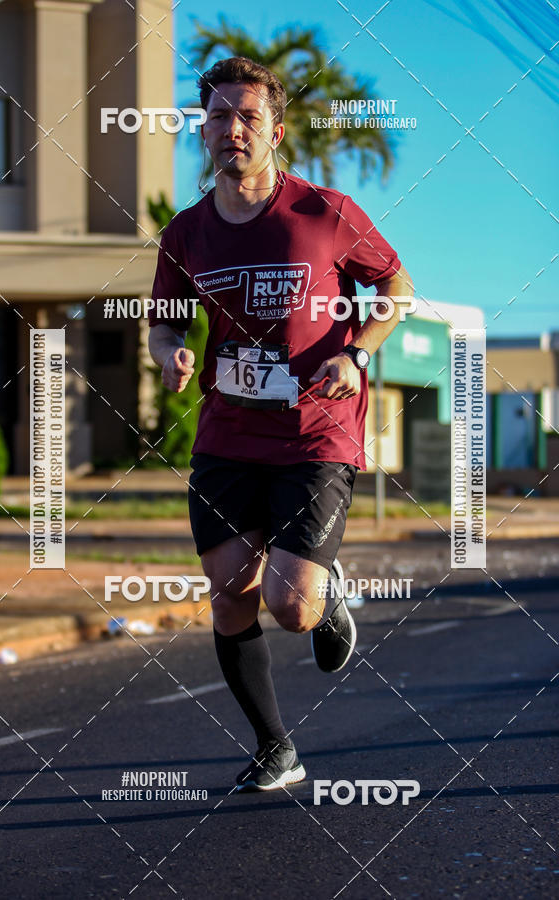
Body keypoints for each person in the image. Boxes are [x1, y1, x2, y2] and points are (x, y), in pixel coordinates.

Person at [148, 56, 413, 792]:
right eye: (219, 116)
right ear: (203, 130)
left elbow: (396, 285)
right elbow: (163, 323)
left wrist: (357, 352)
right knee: (229, 591)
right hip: (228, 433)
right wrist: (170, 354)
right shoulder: (185, 234)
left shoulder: (325, 213)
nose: (232, 128)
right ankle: (276, 747)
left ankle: (323, 602)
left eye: (249, 116)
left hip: (315, 430)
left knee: (290, 606)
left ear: (276, 130)